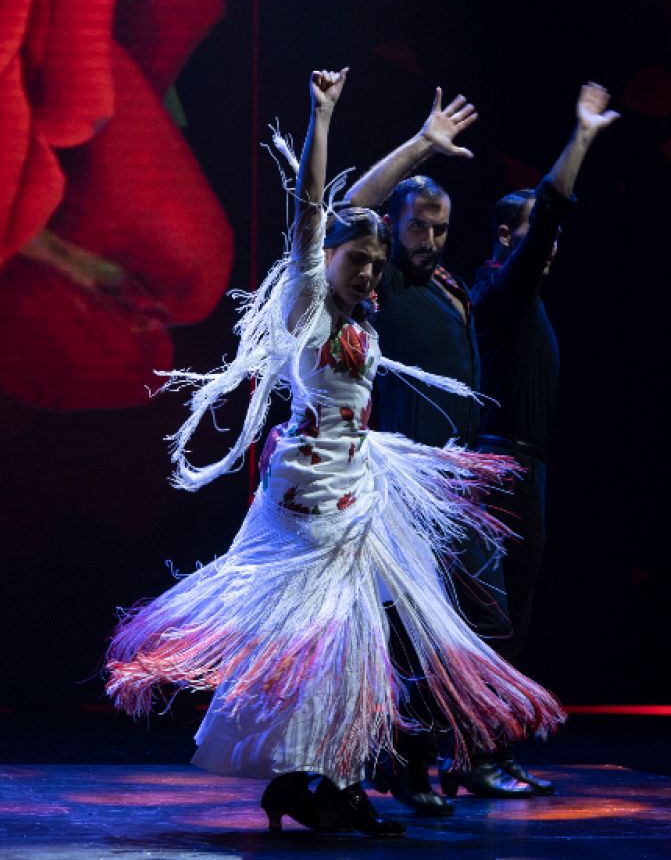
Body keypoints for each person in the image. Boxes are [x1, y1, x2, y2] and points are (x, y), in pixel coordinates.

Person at [105, 68, 563, 838]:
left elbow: (363, 220)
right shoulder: (310, 304)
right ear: (331, 260)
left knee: (356, 642)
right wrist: (323, 116)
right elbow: (320, 212)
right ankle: (302, 779)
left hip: (359, 488)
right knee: (318, 642)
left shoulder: (364, 313)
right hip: (310, 501)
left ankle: (337, 780)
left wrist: (423, 145)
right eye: (362, 259)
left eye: (379, 264)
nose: (373, 270)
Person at [344, 88, 541, 804]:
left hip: (456, 487)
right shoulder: (381, 280)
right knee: (404, 630)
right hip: (402, 489)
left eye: (441, 229)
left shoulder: (452, 284)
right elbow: (349, 210)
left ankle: (468, 753)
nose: (430, 240)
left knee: (485, 617)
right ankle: (411, 761)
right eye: (420, 227)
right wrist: (423, 144)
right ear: (393, 229)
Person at [469, 84, 619, 787]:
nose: (548, 245)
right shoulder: (500, 293)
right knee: (494, 621)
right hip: (499, 467)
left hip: (522, 468)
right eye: (534, 232)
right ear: (508, 237)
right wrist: (582, 136)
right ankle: (476, 751)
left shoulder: (517, 303)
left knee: (511, 619)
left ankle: (484, 749)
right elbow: (552, 209)